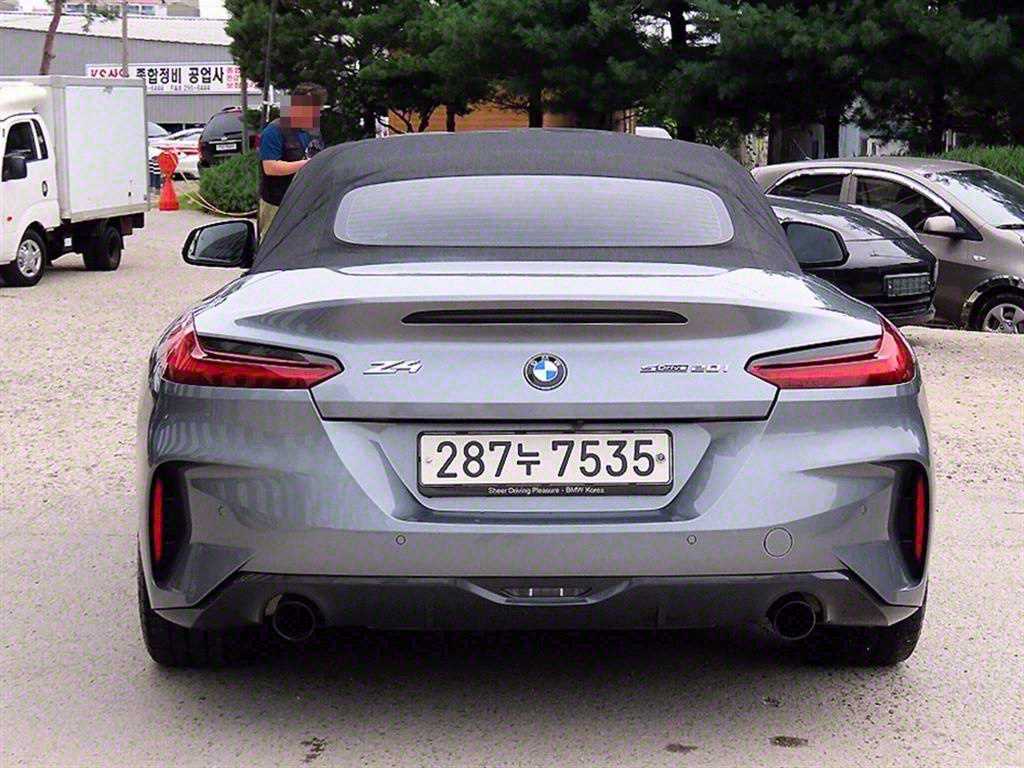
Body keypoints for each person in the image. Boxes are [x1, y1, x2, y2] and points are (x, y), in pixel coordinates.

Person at [258, 82, 327, 239]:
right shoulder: (274, 130)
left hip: (305, 202)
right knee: (273, 243)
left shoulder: (313, 130)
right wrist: (307, 164)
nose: (318, 113)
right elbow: (270, 167)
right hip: (277, 203)